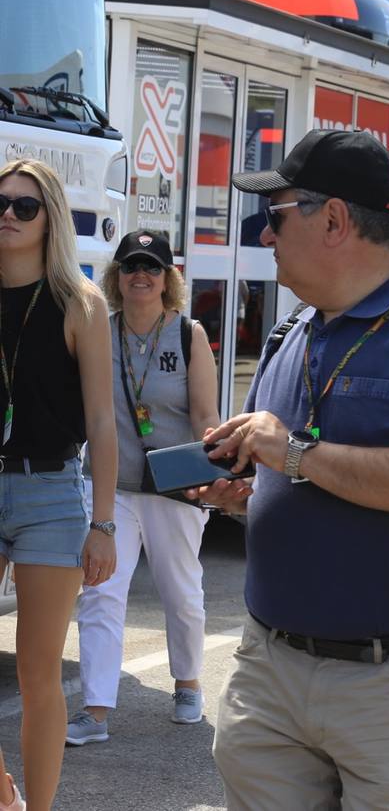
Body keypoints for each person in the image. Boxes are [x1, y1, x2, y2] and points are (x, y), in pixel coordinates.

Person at [199, 129, 389, 810]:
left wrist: (295, 454)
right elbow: (288, 482)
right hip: (269, 670)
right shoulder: (289, 333)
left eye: (275, 215)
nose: (264, 234)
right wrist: (238, 498)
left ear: (334, 220)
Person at [66, 231, 219, 747]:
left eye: (152, 267)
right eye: (131, 265)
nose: (141, 275)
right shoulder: (98, 332)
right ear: (116, 275)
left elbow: (204, 415)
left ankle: (188, 683)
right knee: (101, 592)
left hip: (174, 487)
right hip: (112, 487)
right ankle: (95, 710)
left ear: (167, 278)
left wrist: (213, 479)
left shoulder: (187, 335)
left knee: (182, 594)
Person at [0, 159, 116, 811]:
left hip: (50, 493)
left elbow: (102, 421)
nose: (9, 215)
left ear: (51, 219)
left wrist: (103, 523)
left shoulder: (81, 303)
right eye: (1, 203)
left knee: (37, 672)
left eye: (25, 206)